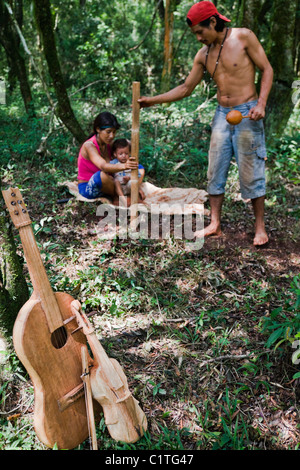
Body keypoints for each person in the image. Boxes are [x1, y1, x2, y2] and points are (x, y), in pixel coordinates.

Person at [138, 1, 273, 246]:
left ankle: (260, 227)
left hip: (246, 111)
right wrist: (152, 101)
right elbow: (185, 88)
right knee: (215, 169)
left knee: (251, 170)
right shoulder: (204, 55)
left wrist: (261, 103)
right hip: (222, 114)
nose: (198, 38)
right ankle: (215, 224)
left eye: (200, 32)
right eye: (195, 34)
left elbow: (267, 69)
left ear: (213, 21)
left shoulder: (244, 37)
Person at [77, 111, 138, 199]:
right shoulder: (89, 146)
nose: (112, 136)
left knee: (121, 180)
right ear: (98, 129)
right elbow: (104, 166)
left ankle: (122, 195)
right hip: (87, 187)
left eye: (114, 132)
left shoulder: (108, 144)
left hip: (108, 184)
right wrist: (124, 166)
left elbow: (125, 147)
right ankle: (119, 197)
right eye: (108, 132)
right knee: (101, 176)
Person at [110, 138, 145, 206]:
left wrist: (130, 178)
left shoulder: (131, 163)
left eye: (126, 153)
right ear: (115, 154)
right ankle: (122, 199)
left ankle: (136, 197)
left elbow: (138, 175)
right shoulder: (113, 163)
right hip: (119, 188)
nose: (123, 156)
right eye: (120, 154)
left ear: (129, 153)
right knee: (116, 181)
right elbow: (108, 171)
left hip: (129, 186)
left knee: (133, 182)